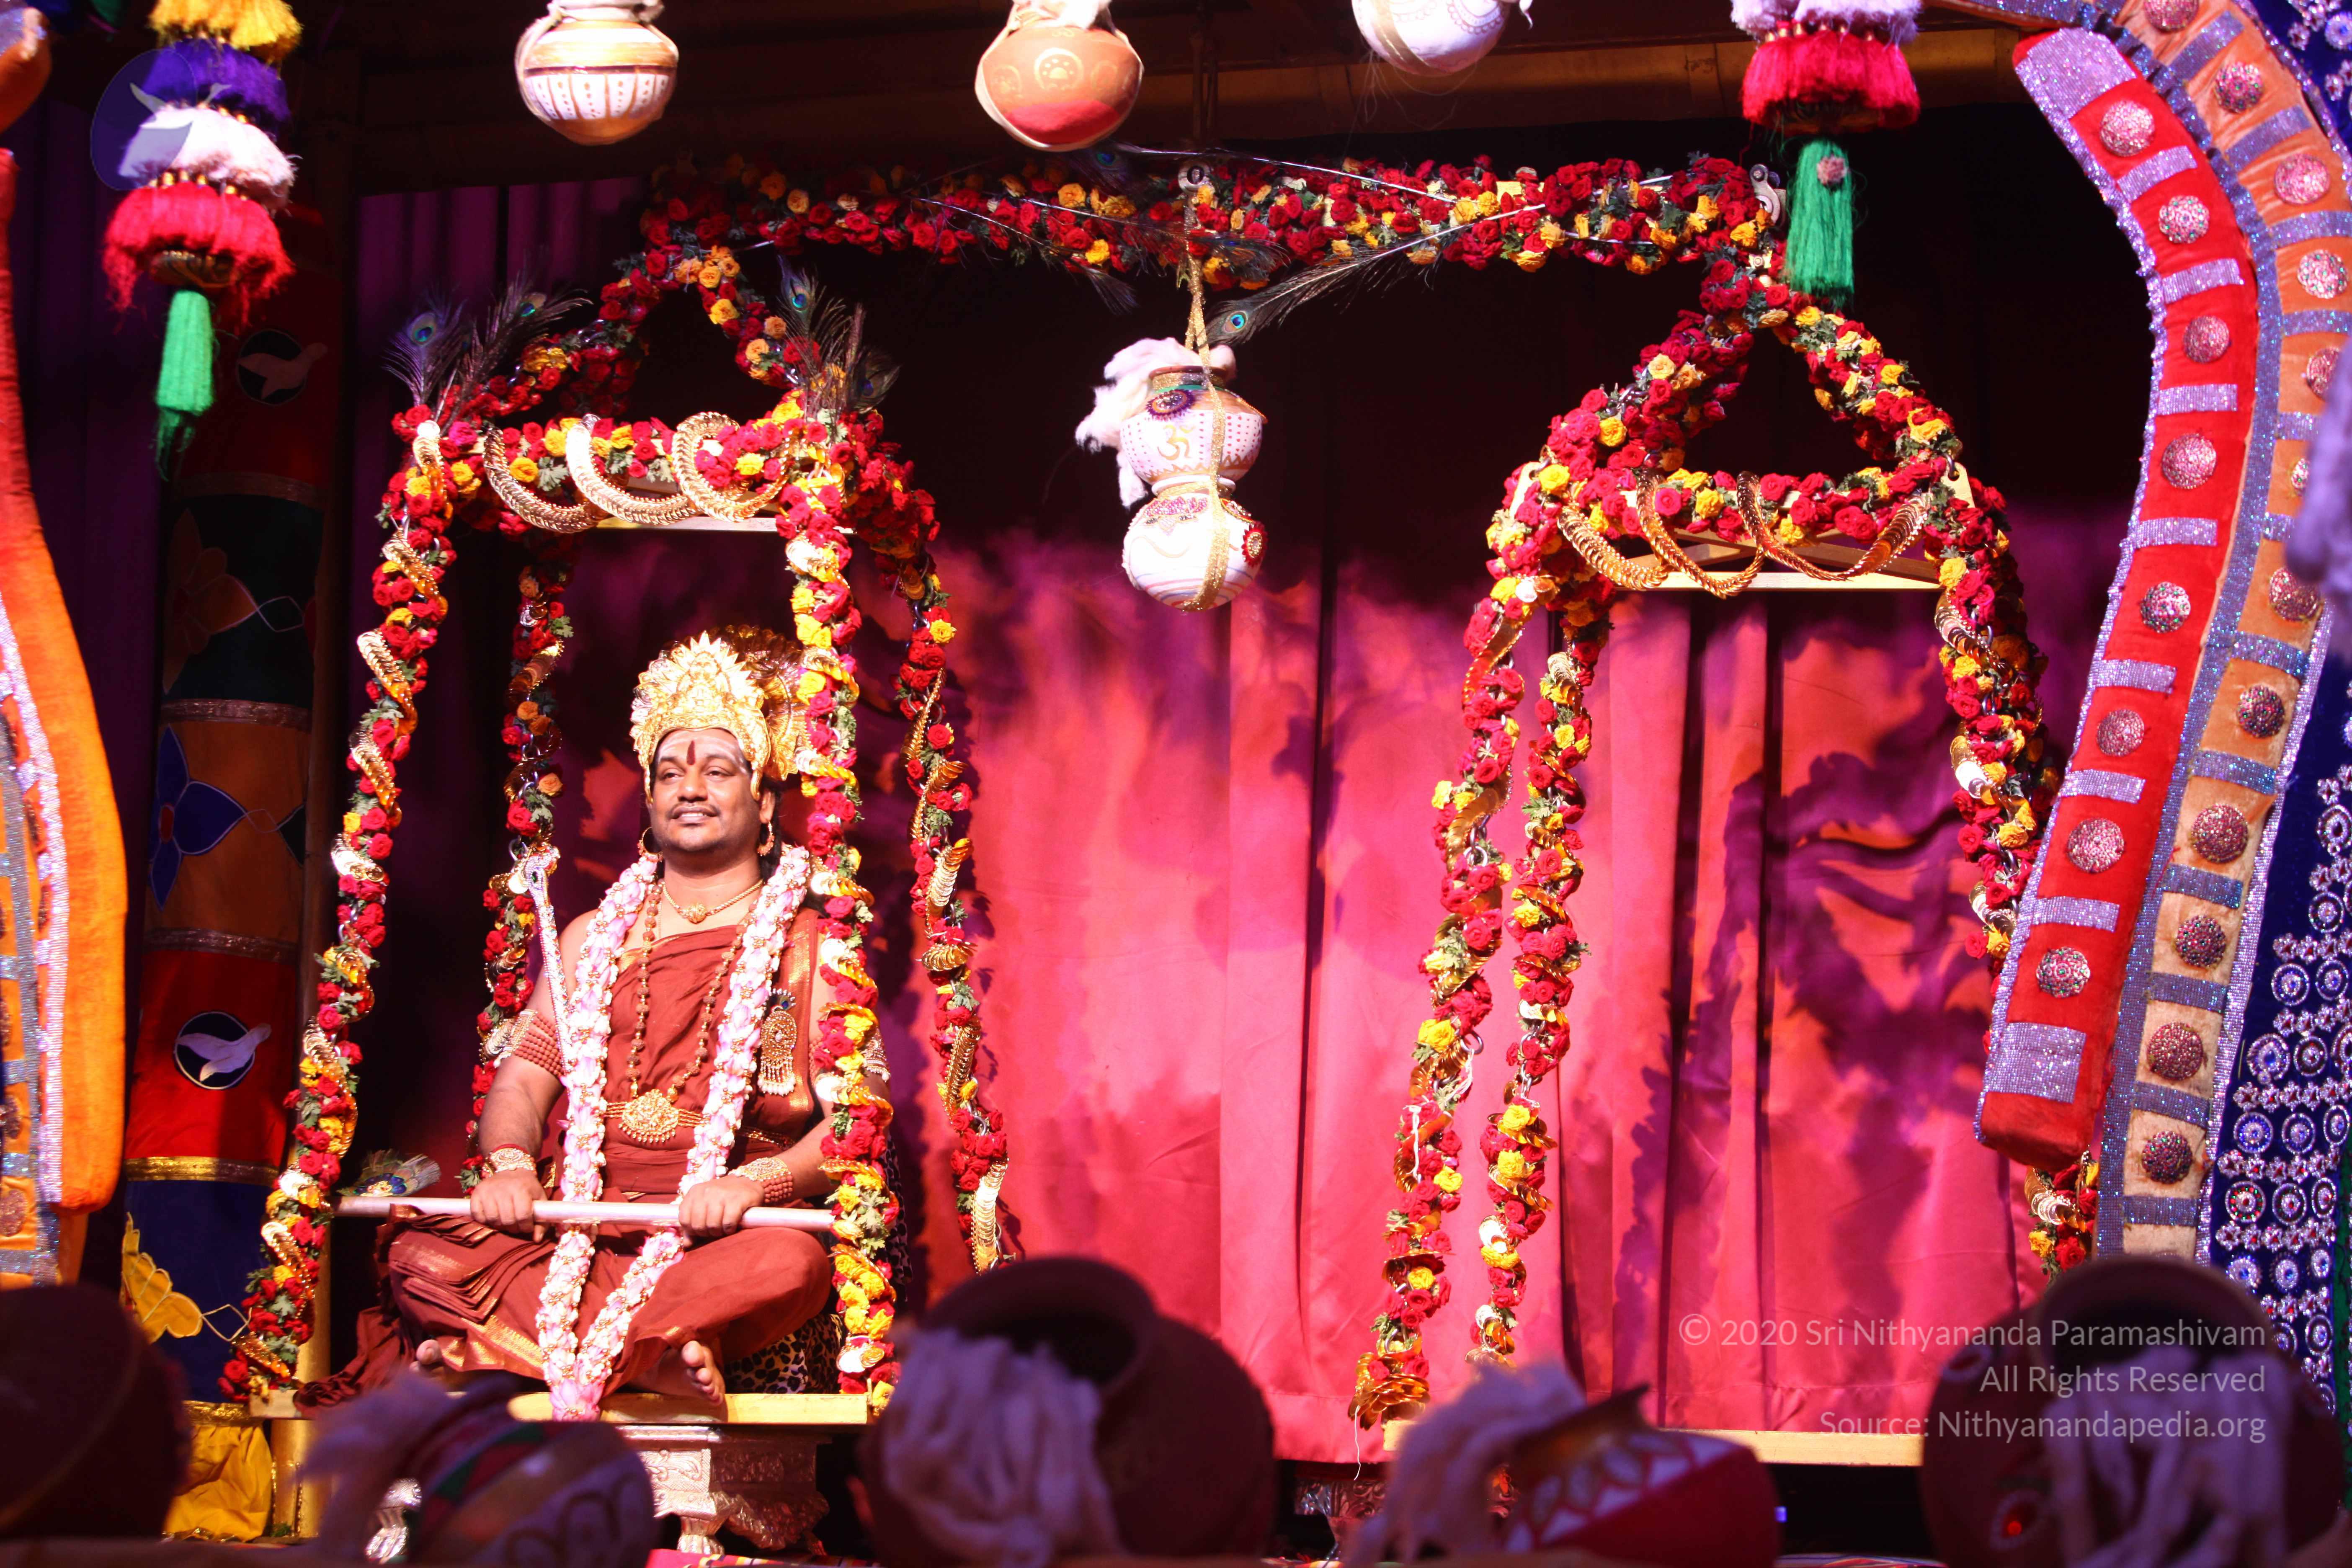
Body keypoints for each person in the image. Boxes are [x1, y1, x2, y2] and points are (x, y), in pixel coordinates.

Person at [326, 628, 841, 1411]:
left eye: (716, 770)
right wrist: (508, 1165)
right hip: (582, 1223)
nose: (690, 788)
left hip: (722, 1235)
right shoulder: (590, 940)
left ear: (765, 801)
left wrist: (754, 1182)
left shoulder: (814, 949)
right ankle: (650, 1354)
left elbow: (856, 1130)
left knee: (792, 1264)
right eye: (669, 773)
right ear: (650, 801)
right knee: (419, 1255)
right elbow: (523, 1084)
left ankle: (502, 1351)